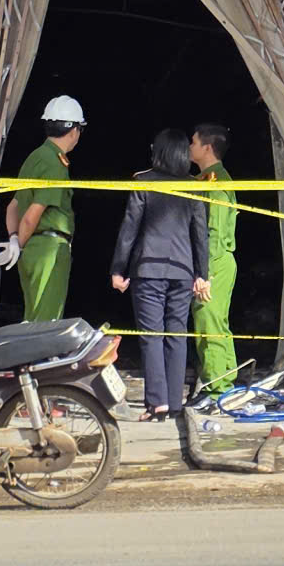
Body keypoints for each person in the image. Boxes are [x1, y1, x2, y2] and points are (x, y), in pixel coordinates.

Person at [110, 129, 210, 421]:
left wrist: (118, 268)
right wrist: (202, 273)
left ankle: (158, 404)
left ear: (158, 151)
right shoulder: (194, 186)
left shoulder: (143, 181)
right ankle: (175, 403)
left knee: (151, 336)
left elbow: (130, 228)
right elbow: (199, 233)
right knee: (177, 335)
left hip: (148, 270)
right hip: (182, 270)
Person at [0, 96, 85, 323]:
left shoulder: (34, 157)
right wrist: (19, 241)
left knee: (33, 319)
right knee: (46, 323)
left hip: (31, 252)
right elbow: (31, 215)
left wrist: (15, 240)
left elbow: (12, 207)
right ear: (74, 130)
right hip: (49, 250)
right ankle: (39, 360)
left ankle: (27, 359)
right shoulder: (56, 164)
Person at [187, 123, 241, 403]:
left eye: (193, 142)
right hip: (215, 261)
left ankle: (217, 388)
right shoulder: (204, 178)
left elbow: (215, 232)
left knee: (209, 323)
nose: (189, 147)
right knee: (214, 322)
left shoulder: (217, 182)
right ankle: (225, 381)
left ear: (207, 147)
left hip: (216, 261)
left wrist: (203, 274)